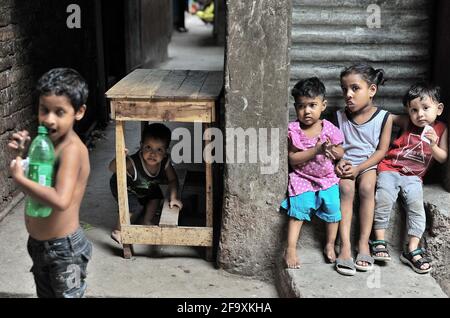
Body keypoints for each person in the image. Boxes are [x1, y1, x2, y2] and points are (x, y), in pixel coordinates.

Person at [8, 68, 92, 298]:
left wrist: (20, 179)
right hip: (39, 245)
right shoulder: (45, 142)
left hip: (65, 251)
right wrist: (22, 155)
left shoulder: (72, 150)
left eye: (59, 112)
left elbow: (60, 200)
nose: (49, 119)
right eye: (44, 109)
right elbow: (39, 180)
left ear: (79, 112)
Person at [372, 82, 448, 274]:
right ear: (408, 110)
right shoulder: (407, 122)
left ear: (439, 109)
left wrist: (433, 145)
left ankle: (411, 249)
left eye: (425, 108)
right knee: (384, 198)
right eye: (414, 110)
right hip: (390, 169)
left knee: (417, 208)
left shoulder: (441, 129)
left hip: (414, 177)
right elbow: (387, 116)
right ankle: (379, 241)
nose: (419, 114)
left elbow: (443, 157)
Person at [334, 64, 393, 275]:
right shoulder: (339, 116)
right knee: (346, 189)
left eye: (355, 88)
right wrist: (338, 160)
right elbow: (336, 146)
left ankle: (363, 243)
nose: (348, 95)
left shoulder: (384, 117)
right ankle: (345, 246)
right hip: (348, 163)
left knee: (368, 188)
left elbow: (381, 151)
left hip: (368, 164)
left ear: (372, 90)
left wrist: (360, 168)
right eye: (344, 89)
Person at [280, 77, 345, 269]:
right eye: (301, 106)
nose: (307, 111)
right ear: (295, 107)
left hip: (326, 178)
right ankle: (290, 248)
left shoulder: (329, 128)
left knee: (333, 207)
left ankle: (330, 244)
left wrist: (334, 151)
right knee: (299, 207)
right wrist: (315, 151)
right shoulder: (294, 130)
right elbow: (292, 159)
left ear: (323, 105)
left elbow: (341, 150)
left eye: (312, 105)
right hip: (303, 178)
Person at [109, 123, 183, 244]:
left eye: (159, 149)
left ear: (165, 152)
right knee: (132, 206)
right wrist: (120, 158)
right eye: (148, 147)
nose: (153, 153)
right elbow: (112, 168)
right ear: (141, 146)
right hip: (126, 186)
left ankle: (146, 220)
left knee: (156, 196)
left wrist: (173, 197)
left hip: (144, 185)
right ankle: (118, 230)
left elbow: (173, 180)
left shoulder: (164, 162)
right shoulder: (133, 161)